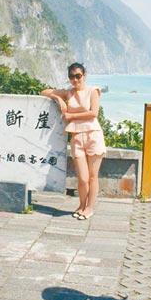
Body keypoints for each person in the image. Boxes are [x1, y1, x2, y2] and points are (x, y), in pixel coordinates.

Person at [41, 62, 106, 220]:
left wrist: (71, 116)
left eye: (78, 76)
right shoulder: (68, 93)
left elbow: (93, 113)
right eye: (72, 77)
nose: (75, 80)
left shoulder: (93, 91)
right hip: (76, 137)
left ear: (84, 75)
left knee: (92, 177)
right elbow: (44, 92)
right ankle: (81, 205)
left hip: (93, 135)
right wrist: (59, 99)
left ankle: (89, 208)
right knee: (82, 178)